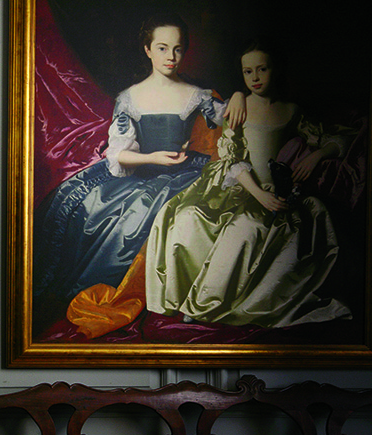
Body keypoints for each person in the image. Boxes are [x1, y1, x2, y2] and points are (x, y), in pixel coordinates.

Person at [32, 13, 244, 330]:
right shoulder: (130, 98)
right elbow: (119, 152)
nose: (170, 57)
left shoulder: (197, 95)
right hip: (143, 173)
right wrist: (153, 158)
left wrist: (239, 95)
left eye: (177, 49)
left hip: (188, 173)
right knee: (92, 211)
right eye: (162, 48)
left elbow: (228, 117)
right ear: (147, 50)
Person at [145, 38, 354, 328]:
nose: (255, 78)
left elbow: (337, 138)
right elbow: (232, 157)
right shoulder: (238, 107)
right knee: (185, 216)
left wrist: (316, 155)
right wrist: (257, 193)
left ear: (275, 70)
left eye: (262, 70)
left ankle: (206, 305)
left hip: (274, 194)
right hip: (241, 187)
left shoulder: (291, 111)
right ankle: (182, 299)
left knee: (246, 228)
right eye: (248, 72)